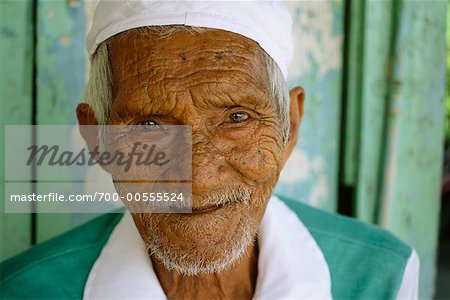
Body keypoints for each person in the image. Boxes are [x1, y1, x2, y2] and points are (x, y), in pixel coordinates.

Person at [0, 1, 419, 299]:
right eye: (149, 125)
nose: (196, 179)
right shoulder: (22, 290)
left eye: (237, 117)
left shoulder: (382, 277)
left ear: (289, 125)